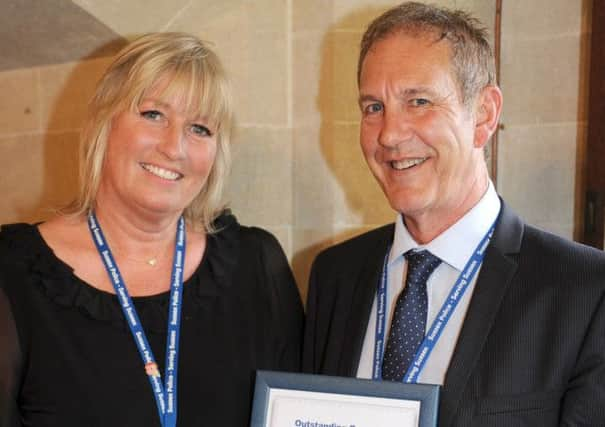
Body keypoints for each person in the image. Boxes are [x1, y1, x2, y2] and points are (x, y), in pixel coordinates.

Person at [303, 2, 605, 425]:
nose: (389, 134)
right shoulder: (334, 276)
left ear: (484, 115)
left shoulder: (586, 292)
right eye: (374, 107)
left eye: (419, 101)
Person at [0, 32, 303, 427]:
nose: (174, 147)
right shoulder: (13, 271)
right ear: (104, 123)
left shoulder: (258, 265)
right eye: (153, 114)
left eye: (200, 129)